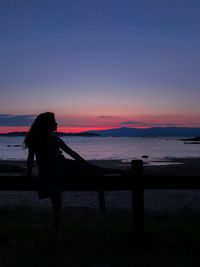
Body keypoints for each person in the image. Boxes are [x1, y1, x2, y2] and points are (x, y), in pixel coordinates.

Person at [24, 112, 122, 244]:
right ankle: (122, 171)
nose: (57, 123)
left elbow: (30, 160)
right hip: (64, 169)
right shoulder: (54, 139)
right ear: (47, 124)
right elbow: (73, 154)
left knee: (57, 205)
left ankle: (58, 236)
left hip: (51, 174)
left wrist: (29, 175)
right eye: (54, 121)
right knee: (95, 170)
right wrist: (86, 163)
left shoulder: (35, 139)